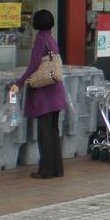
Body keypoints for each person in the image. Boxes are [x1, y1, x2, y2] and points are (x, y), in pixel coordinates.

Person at [15, 9, 67, 179]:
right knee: (53, 132)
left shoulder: (40, 40)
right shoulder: (51, 39)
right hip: (56, 92)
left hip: (44, 94)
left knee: (44, 134)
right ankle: (57, 169)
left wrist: (19, 83)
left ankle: (46, 170)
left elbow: (33, 65)